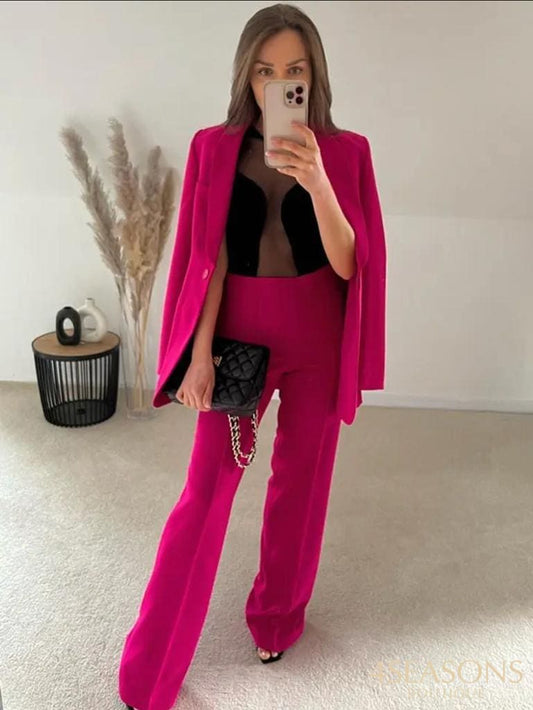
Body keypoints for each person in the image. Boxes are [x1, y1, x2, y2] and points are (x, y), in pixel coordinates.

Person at [118, 4, 386, 709]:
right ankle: (149, 672)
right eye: (265, 70)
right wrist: (199, 353)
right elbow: (208, 255)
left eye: (293, 70)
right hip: (238, 335)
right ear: (246, 74)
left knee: (302, 484)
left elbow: (352, 264)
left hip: (317, 335)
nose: (278, 84)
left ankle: (276, 618)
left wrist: (318, 182)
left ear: (313, 75)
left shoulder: (347, 152)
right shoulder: (213, 147)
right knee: (204, 493)